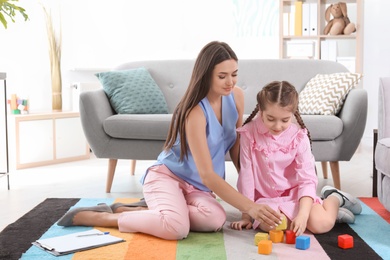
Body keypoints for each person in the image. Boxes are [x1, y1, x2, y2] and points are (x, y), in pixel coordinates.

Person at [57, 41, 283, 240]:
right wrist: (250, 207)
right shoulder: (194, 112)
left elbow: (235, 147)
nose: (230, 82)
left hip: (197, 188)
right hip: (168, 177)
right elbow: (208, 174)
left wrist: (251, 190)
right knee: (177, 229)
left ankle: (156, 210)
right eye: (222, 76)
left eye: (234, 74)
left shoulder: (236, 97)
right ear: (206, 75)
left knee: (214, 220)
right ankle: (108, 217)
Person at [230, 81, 362, 236]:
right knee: (274, 225)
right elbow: (246, 175)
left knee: (322, 224)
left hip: (296, 195)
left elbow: (306, 179)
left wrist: (304, 215)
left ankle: (334, 199)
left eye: (285, 120)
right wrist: (246, 214)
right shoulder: (249, 133)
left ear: (292, 113)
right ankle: (321, 212)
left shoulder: (299, 135)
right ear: (260, 110)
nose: (277, 126)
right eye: (271, 118)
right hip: (265, 199)